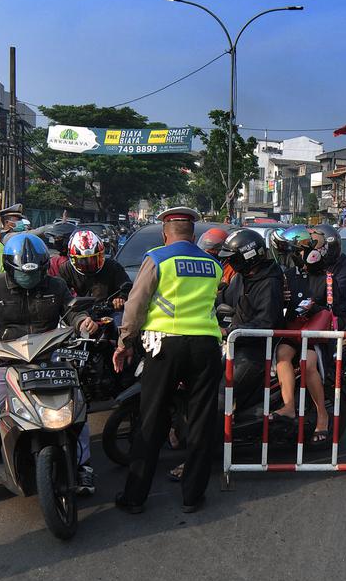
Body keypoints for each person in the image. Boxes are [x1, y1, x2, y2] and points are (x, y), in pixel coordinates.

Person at [0, 233, 97, 509]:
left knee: (77, 410)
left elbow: (71, 312)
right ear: (10, 268)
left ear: (45, 267)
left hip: (48, 356)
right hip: (3, 360)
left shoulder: (56, 285)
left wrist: (83, 322)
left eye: (34, 274)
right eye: (23, 274)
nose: (29, 279)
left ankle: (83, 466)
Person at [112, 207, 223, 515]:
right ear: (193, 235)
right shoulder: (213, 264)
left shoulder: (158, 258)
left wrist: (125, 343)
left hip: (165, 346)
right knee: (201, 420)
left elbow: (136, 304)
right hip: (206, 345)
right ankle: (192, 497)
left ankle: (135, 498)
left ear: (165, 233)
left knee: (151, 419)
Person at [271, 226, 346, 442]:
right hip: (294, 331)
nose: (293, 258)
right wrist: (284, 300)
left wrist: (315, 308)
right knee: (283, 355)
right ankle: (288, 406)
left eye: (296, 252)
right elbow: (283, 306)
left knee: (307, 362)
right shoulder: (288, 276)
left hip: (315, 336)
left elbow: (336, 311)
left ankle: (322, 415)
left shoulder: (328, 279)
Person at [217, 229, 285, 413]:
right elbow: (223, 299)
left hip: (255, 352)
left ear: (248, 256)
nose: (229, 262)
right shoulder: (242, 277)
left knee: (222, 393)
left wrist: (231, 330)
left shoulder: (269, 283)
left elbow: (265, 323)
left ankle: (219, 439)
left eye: (233, 258)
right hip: (236, 346)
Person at [60, 229, 131, 303]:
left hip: (109, 311)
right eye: (83, 260)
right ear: (73, 259)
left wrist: (121, 298)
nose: (89, 263)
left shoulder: (113, 266)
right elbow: (60, 294)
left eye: (93, 259)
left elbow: (127, 287)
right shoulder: (66, 269)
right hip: (80, 311)